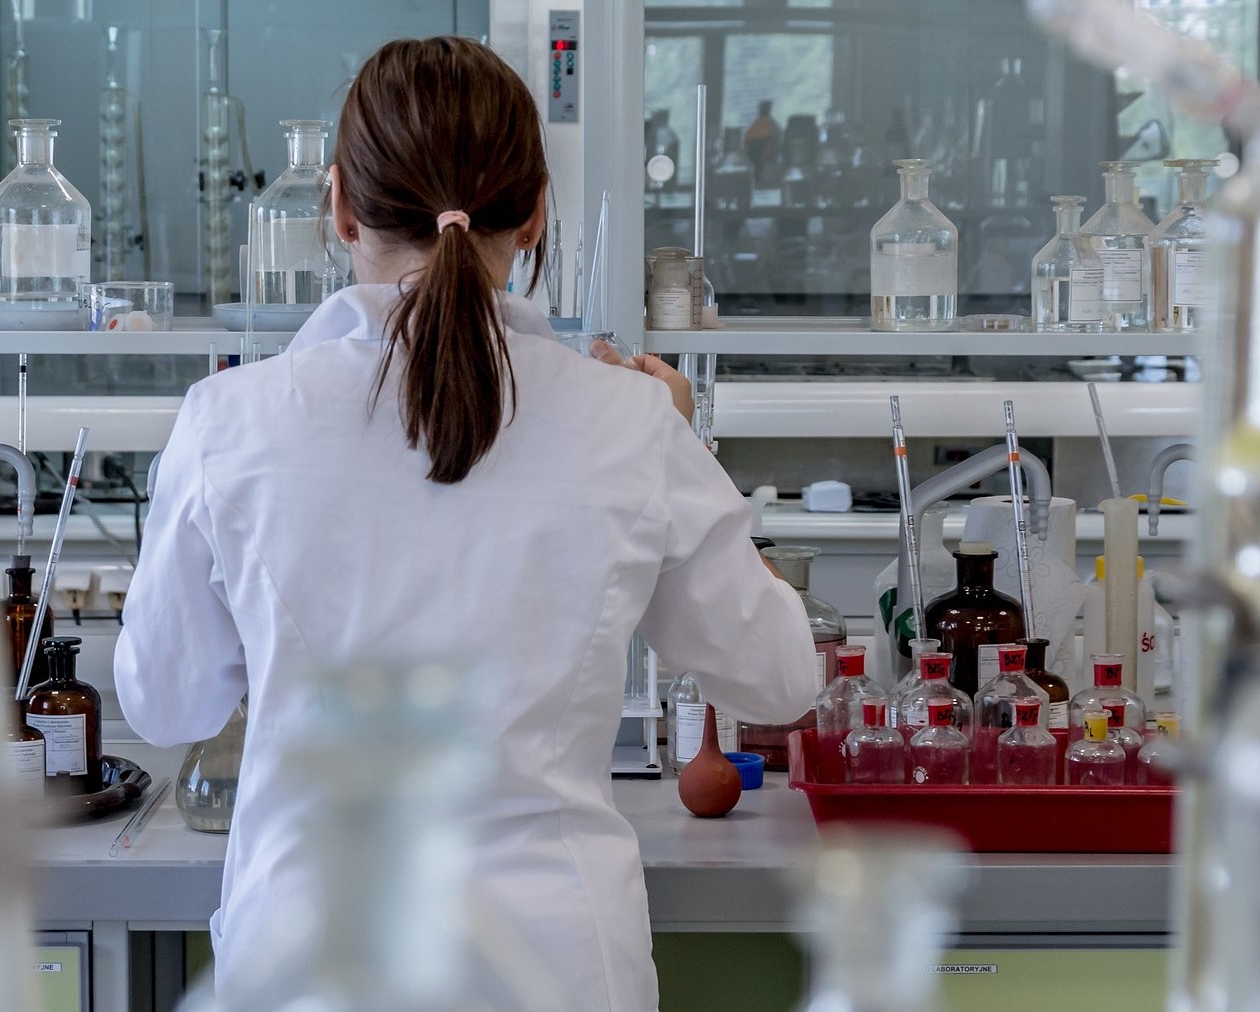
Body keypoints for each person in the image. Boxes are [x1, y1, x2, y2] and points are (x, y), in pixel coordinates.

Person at [113, 36, 818, 1010]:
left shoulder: (231, 422)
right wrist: (686, 453)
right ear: (531, 214)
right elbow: (781, 677)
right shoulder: (630, 422)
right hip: (555, 968)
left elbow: (165, 705)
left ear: (339, 207)